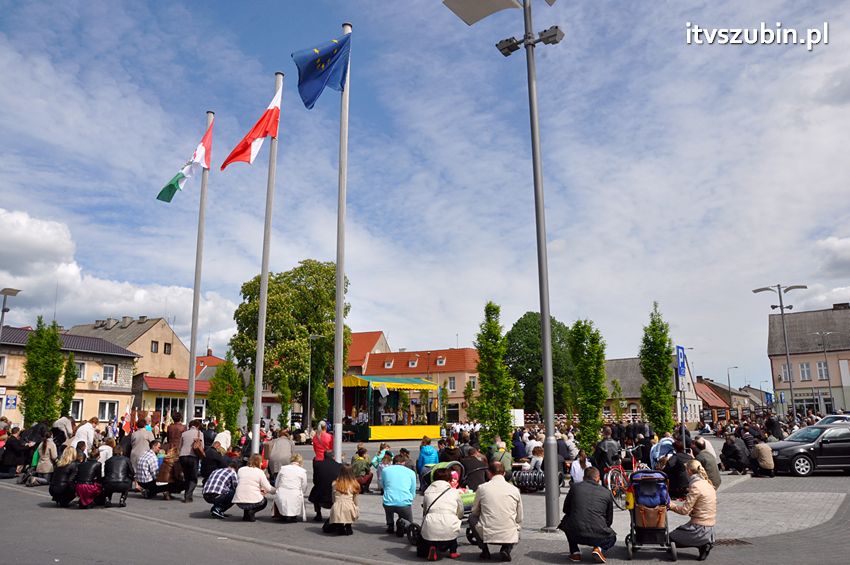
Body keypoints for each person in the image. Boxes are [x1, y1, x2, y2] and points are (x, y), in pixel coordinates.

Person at [558, 466, 616, 563]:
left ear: (584, 477)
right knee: (612, 537)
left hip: (576, 533)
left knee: (566, 520)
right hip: (599, 534)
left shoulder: (575, 488)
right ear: (598, 478)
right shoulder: (606, 492)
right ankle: (599, 548)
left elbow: (565, 509)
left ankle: (575, 552)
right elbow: (609, 520)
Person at [470, 461, 523, 562]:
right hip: (509, 533)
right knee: (515, 524)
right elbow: (520, 515)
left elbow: (475, 511)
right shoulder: (515, 489)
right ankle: (506, 549)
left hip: (487, 532)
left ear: (489, 473)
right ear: (504, 473)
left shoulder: (482, 488)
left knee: (472, 518)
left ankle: (484, 549)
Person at [669, 460, 716, 561]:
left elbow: (684, 510)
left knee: (669, 538)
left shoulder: (695, 486)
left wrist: (671, 505)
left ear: (689, 471)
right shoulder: (708, 484)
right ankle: (704, 544)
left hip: (698, 528)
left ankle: (702, 543)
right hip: (710, 528)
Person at [417, 467, 464, 560]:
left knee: (431, 530)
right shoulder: (454, 492)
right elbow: (460, 510)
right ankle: (453, 552)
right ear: (449, 479)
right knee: (451, 528)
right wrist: (458, 517)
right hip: (449, 525)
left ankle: (433, 547)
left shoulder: (427, 492)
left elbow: (425, 510)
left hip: (431, 525)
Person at [382, 453, 418, 534]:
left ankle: (390, 524)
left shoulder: (385, 470)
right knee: (408, 519)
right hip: (404, 502)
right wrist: (411, 497)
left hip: (388, 501)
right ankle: (403, 525)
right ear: (404, 463)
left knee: (388, 508)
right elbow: (413, 488)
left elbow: (383, 485)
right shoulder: (411, 472)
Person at [233, 453, 275, 521]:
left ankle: (246, 515)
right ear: (258, 462)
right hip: (253, 501)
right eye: (261, 462)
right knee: (264, 501)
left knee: (247, 495)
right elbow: (268, 488)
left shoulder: (241, 470)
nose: (261, 464)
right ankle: (252, 512)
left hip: (239, 501)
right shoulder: (259, 472)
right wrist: (277, 491)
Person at [322, 464, 360, 535]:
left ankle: (340, 526)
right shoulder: (354, 484)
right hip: (349, 508)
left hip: (337, 508)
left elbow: (333, 499)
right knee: (351, 507)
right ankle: (348, 525)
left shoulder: (335, 483)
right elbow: (355, 500)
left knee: (337, 507)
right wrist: (356, 509)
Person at [274, 452, 308, 522]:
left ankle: (283, 514)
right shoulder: (302, 471)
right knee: (295, 498)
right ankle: (292, 516)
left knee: (282, 496)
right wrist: (302, 492)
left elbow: (277, 483)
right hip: (295, 493)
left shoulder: (283, 468)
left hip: (282, 492)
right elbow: (304, 485)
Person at [309, 449, 342, 521]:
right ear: (334, 457)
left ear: (324, 456)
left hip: (320, 496)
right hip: (334, 495)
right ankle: (335, 515)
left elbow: (315, 480)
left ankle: (318, 514)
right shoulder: (339, 466)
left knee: (316, 488)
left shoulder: (318, 465)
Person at [178, 419, 204, 502]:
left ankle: (187, 494)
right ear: (198, 426)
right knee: (193, 477)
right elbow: (201, 447)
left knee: (186, 476)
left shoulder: (184, 433)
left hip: (183, 456)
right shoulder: (200, 433)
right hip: (193, 457)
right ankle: (188, 495)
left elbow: (180, 446)